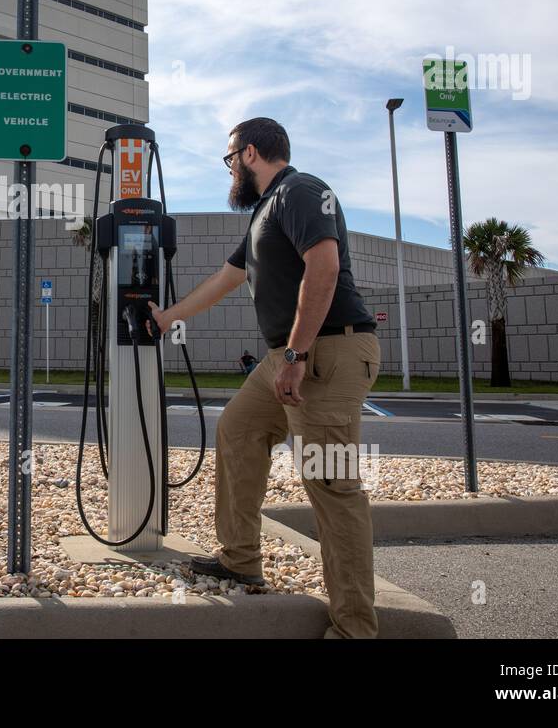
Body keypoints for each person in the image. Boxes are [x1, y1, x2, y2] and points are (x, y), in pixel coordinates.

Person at [145, 117, 382, 638]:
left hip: (327, 351)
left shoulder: (301, 190)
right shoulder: (263, 214)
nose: (229, 169)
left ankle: (354, 629)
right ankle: (241, 558)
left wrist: (296, 353)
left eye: (230, 159)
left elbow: (324, 265)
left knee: (331, 483)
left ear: (249, 154)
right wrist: (166, 319)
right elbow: (224, 282)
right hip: (288, 356)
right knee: (238, 429)